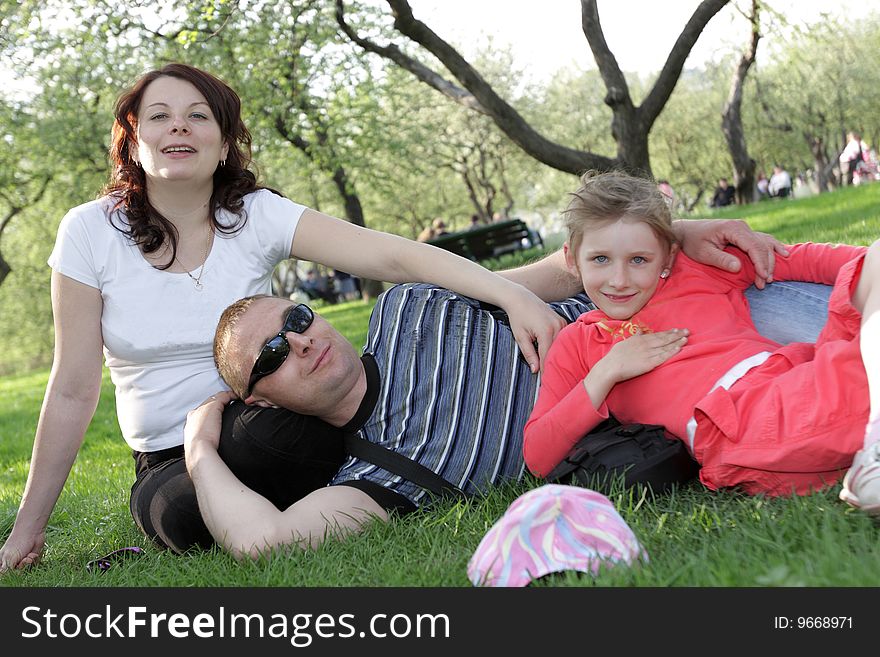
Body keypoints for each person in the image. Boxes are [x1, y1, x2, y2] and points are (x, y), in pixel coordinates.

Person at [0, 62, 569, 571]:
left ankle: (338, 489)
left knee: (281, 442)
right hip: (170, 450)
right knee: (181, 516)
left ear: (223, 145)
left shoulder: (254, 215)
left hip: (269, 413)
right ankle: (276, 504)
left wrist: (512, 294)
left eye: (198, 116)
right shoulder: (88, 232)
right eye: (160, 116)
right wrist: (28, 528)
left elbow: (393, 255)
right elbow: (73, 387)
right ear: (133, 140)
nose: (179, 126)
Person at [181, 225, 828, 560]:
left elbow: (557, 270)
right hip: (701, 392)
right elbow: (267, 542)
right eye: (270, 355)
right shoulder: (378, 474)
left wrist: (677, 230)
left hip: (689, 304)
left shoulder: (408, 306)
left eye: (295, 318)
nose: (298, 341)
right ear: (259, 401)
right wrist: (198, 453)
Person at [523, 171, 879, 509]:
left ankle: (871, 446)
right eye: (600, 259)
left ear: (668, 256)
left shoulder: (700, 269)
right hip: (739, 422)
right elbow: (538, 456)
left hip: (800, 386)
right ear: (572, 259)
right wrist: (607, 372)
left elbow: (806, 259)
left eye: (638, 260)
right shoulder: (580, 342)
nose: (619, 279)